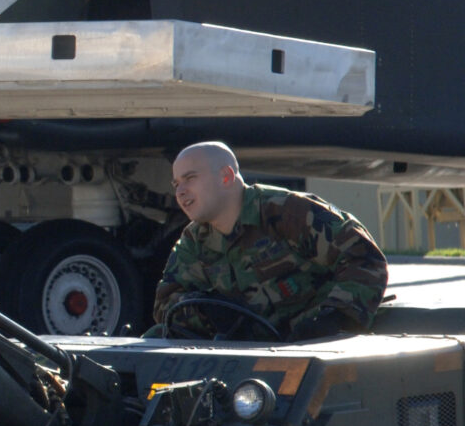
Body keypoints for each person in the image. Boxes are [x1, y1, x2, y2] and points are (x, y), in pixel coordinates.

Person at [152, 140, 387, 341]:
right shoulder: (194, 239)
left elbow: (365, 259)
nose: (180, 191)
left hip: (315, 347)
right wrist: (206, 311)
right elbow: (165, 306)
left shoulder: (288, 212)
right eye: (176, 184)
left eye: (190, 178)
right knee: (154, 337)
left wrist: (334, 318)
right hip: (245, 353)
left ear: (226, 176)